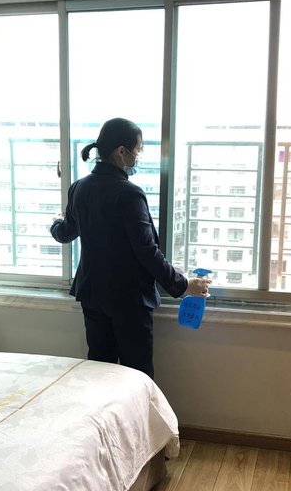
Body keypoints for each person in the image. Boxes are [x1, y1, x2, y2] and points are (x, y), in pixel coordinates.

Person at [50, 117, 211, 379]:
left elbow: (65, 232)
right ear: (121, 152)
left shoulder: (79, 188)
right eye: (138, 150)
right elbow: (147, 251)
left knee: (99, 371)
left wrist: (55, 223)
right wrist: (182, 285)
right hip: (128, 300)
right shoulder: (129, 194)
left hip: (92, 294)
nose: (138, 156)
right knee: (137, 376)